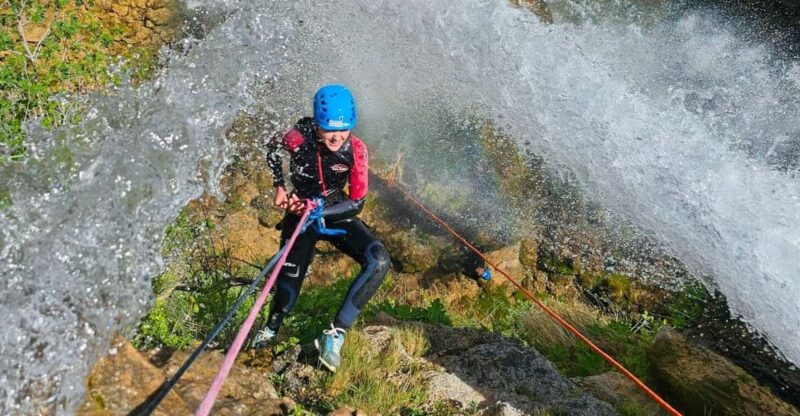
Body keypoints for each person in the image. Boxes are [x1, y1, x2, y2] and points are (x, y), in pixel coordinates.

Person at [253, 84, 390, 372]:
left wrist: (320, 209)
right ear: (318, 124)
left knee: (378, 260)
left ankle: (335, 333)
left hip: (334, 211)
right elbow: (271, 148)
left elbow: (356, 203)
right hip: (301, 214)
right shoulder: (297, 138)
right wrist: (279, 186)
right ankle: (270, 329)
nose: (337, 136)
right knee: (288, 290)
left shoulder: (356, 149)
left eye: (344, 129)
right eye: (329, 129)